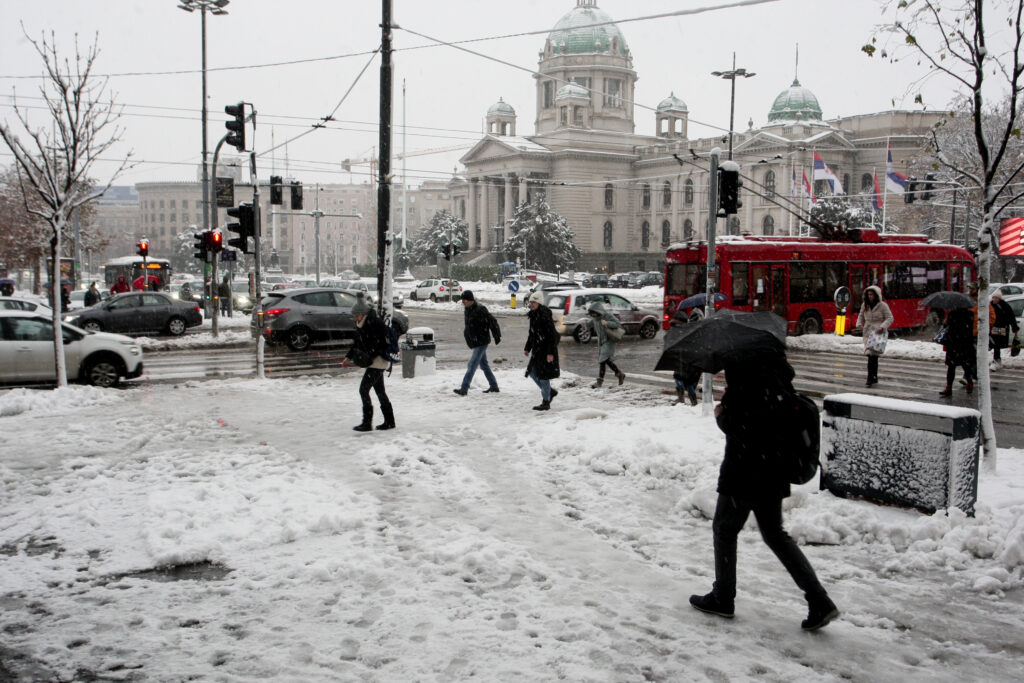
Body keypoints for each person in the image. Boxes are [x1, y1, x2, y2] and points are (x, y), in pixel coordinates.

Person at [690, 353, 840, 631]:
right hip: (773, 472)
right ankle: (819, 599)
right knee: (775, 535)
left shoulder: (746, 382)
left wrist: (722, 414)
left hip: (743, 472)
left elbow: (743, 427)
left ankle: (723, 597)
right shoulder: (778, 380)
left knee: (724, 530)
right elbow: (769, 423)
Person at [342, 299, 396, 431]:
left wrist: (368, 357)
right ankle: (389, 421)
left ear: (362, 313)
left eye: (356, 315)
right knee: (380, 391)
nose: (354, 317)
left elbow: (379, 344)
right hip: (374, 361)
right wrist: (348, 357)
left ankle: (367, 423)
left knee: (363, 390)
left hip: (378, 361)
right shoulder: (362, 323)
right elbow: (357, 343)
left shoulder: (373, 323)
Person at [453, 290, 501, 396]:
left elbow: (492, 321)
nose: (463, 302)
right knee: (484, 365)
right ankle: (494, 386)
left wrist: (496, 335)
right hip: (475, 341)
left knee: (472, 364)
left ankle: (464, 388)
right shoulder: (467, 309)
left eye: (464, 300)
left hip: (481, 341)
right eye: (462, 300)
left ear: (470, 300)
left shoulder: (480, 309)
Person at [523, 291, 560, 411]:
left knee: (544, 377)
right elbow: (532, 334)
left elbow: (551, 336)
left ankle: (546, 402)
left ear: (539, 302)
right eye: (531, 302)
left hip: (545, 350)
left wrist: (550, 353)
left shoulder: (545, 316)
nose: (531, 304)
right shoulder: (533, 315)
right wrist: (527, 347)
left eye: (534, 302)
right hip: (537, 350)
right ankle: (550, 392)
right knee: (532, 372)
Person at [855, 285, 893, 386]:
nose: (870, 296)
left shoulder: (883, 306)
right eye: (868, 294)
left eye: (872, 294)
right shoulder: (865, 305)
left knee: (872, 355)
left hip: (877, 333)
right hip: (867, 332)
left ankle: (870, 378)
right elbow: (861, 315)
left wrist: (882, 326)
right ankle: (873, 377)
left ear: (876, 295)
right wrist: (859, 323)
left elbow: (889, 318)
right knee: (871, 355)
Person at [584, 301, 626, 388]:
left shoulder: (607, 316)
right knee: (606, 360)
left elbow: (617, 324)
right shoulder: (594, 319)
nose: (593, 315)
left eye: (594, 313)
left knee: (602, 360)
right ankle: (619, 374)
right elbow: (589, 325)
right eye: (591, 314)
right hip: (601, 342)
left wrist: (607, 323)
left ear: (598, 311)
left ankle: (599, 382)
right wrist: (585, 324)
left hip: (609, 340)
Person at [940, 304, 976, 396]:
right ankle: (969, 382)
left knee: (951, 367)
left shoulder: (952, 314)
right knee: (965, 365)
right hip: (965, 344)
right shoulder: (970, 314)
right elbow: (969, 330)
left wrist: (946, 322)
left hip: (954, 344)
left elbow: (950, 329)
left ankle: (949, 387)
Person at [989, 291, 1019, 370]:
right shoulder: (990, 305)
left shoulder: (1005, 306)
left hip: (1002, 328)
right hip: (993, 328)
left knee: (996, 345)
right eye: (993, 298)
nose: (994, 299)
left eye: (996, 298)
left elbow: (1011, 317)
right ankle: (996, 360)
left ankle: (996, 361)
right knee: (993, 344)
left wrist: (1014, 327)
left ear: (999, 298)